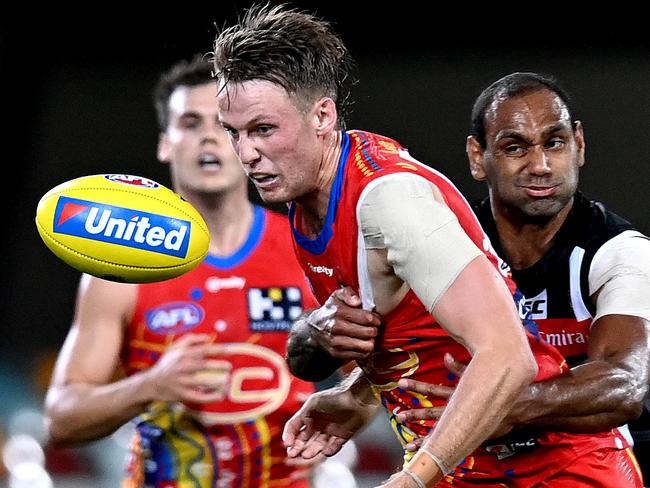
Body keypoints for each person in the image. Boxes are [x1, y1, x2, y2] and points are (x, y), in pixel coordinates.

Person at [211, 4, 642, 487]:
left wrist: (414, 478)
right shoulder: (306, 192)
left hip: (553, 472)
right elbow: (415, 329)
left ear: (323, 116)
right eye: (235, 132)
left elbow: (507, 356)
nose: (246, 153)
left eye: (264, 129)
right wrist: (357, 395)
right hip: (467, 468)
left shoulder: (388, 199)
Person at [44, 54, 322, 488]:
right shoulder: (120, 266)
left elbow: (371, 377)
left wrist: (350, 404)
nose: (209, 139)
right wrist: (150, 385)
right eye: (191, 124)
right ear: (165, 143)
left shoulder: (305, 246)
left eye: (224, 126)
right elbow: (61, 418)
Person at [395, 71, 650, 479]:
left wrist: (505, 404)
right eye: (515, 147)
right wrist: (326, 347)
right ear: (478, 157)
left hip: (598, 466)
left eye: (555, 143)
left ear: (579, 144)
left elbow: (625, 386)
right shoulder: (446, 243)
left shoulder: (621, 251)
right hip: (475, 467)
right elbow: (382, 342)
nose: (541, 166)